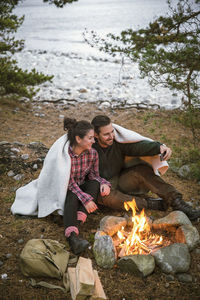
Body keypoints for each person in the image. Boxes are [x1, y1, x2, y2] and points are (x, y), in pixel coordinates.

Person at [91, 115, 200, 221]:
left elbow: (138, 147)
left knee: (141, 171)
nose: (111, 136)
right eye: (106, 134)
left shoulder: (116, 143)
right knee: (108, 197)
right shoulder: (88, 148)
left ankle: (176, 201)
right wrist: (100, 184)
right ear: (96, 134)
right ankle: (150, 203)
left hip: (120, 181)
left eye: (112, 132)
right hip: (102, 190)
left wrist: (159, 147)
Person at [63, 118, 111, 255]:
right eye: (90, 138)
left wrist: (104, 183)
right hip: (66, 189)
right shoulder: (66, 156)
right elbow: (68, 182)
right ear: (78, 139)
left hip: (81, 186)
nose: (94, 141)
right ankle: (72, 238)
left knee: (95, 183)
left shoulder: (92, 153)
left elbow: (94, 176)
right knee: (72, 195)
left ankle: (77, 223)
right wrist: (86, 200)